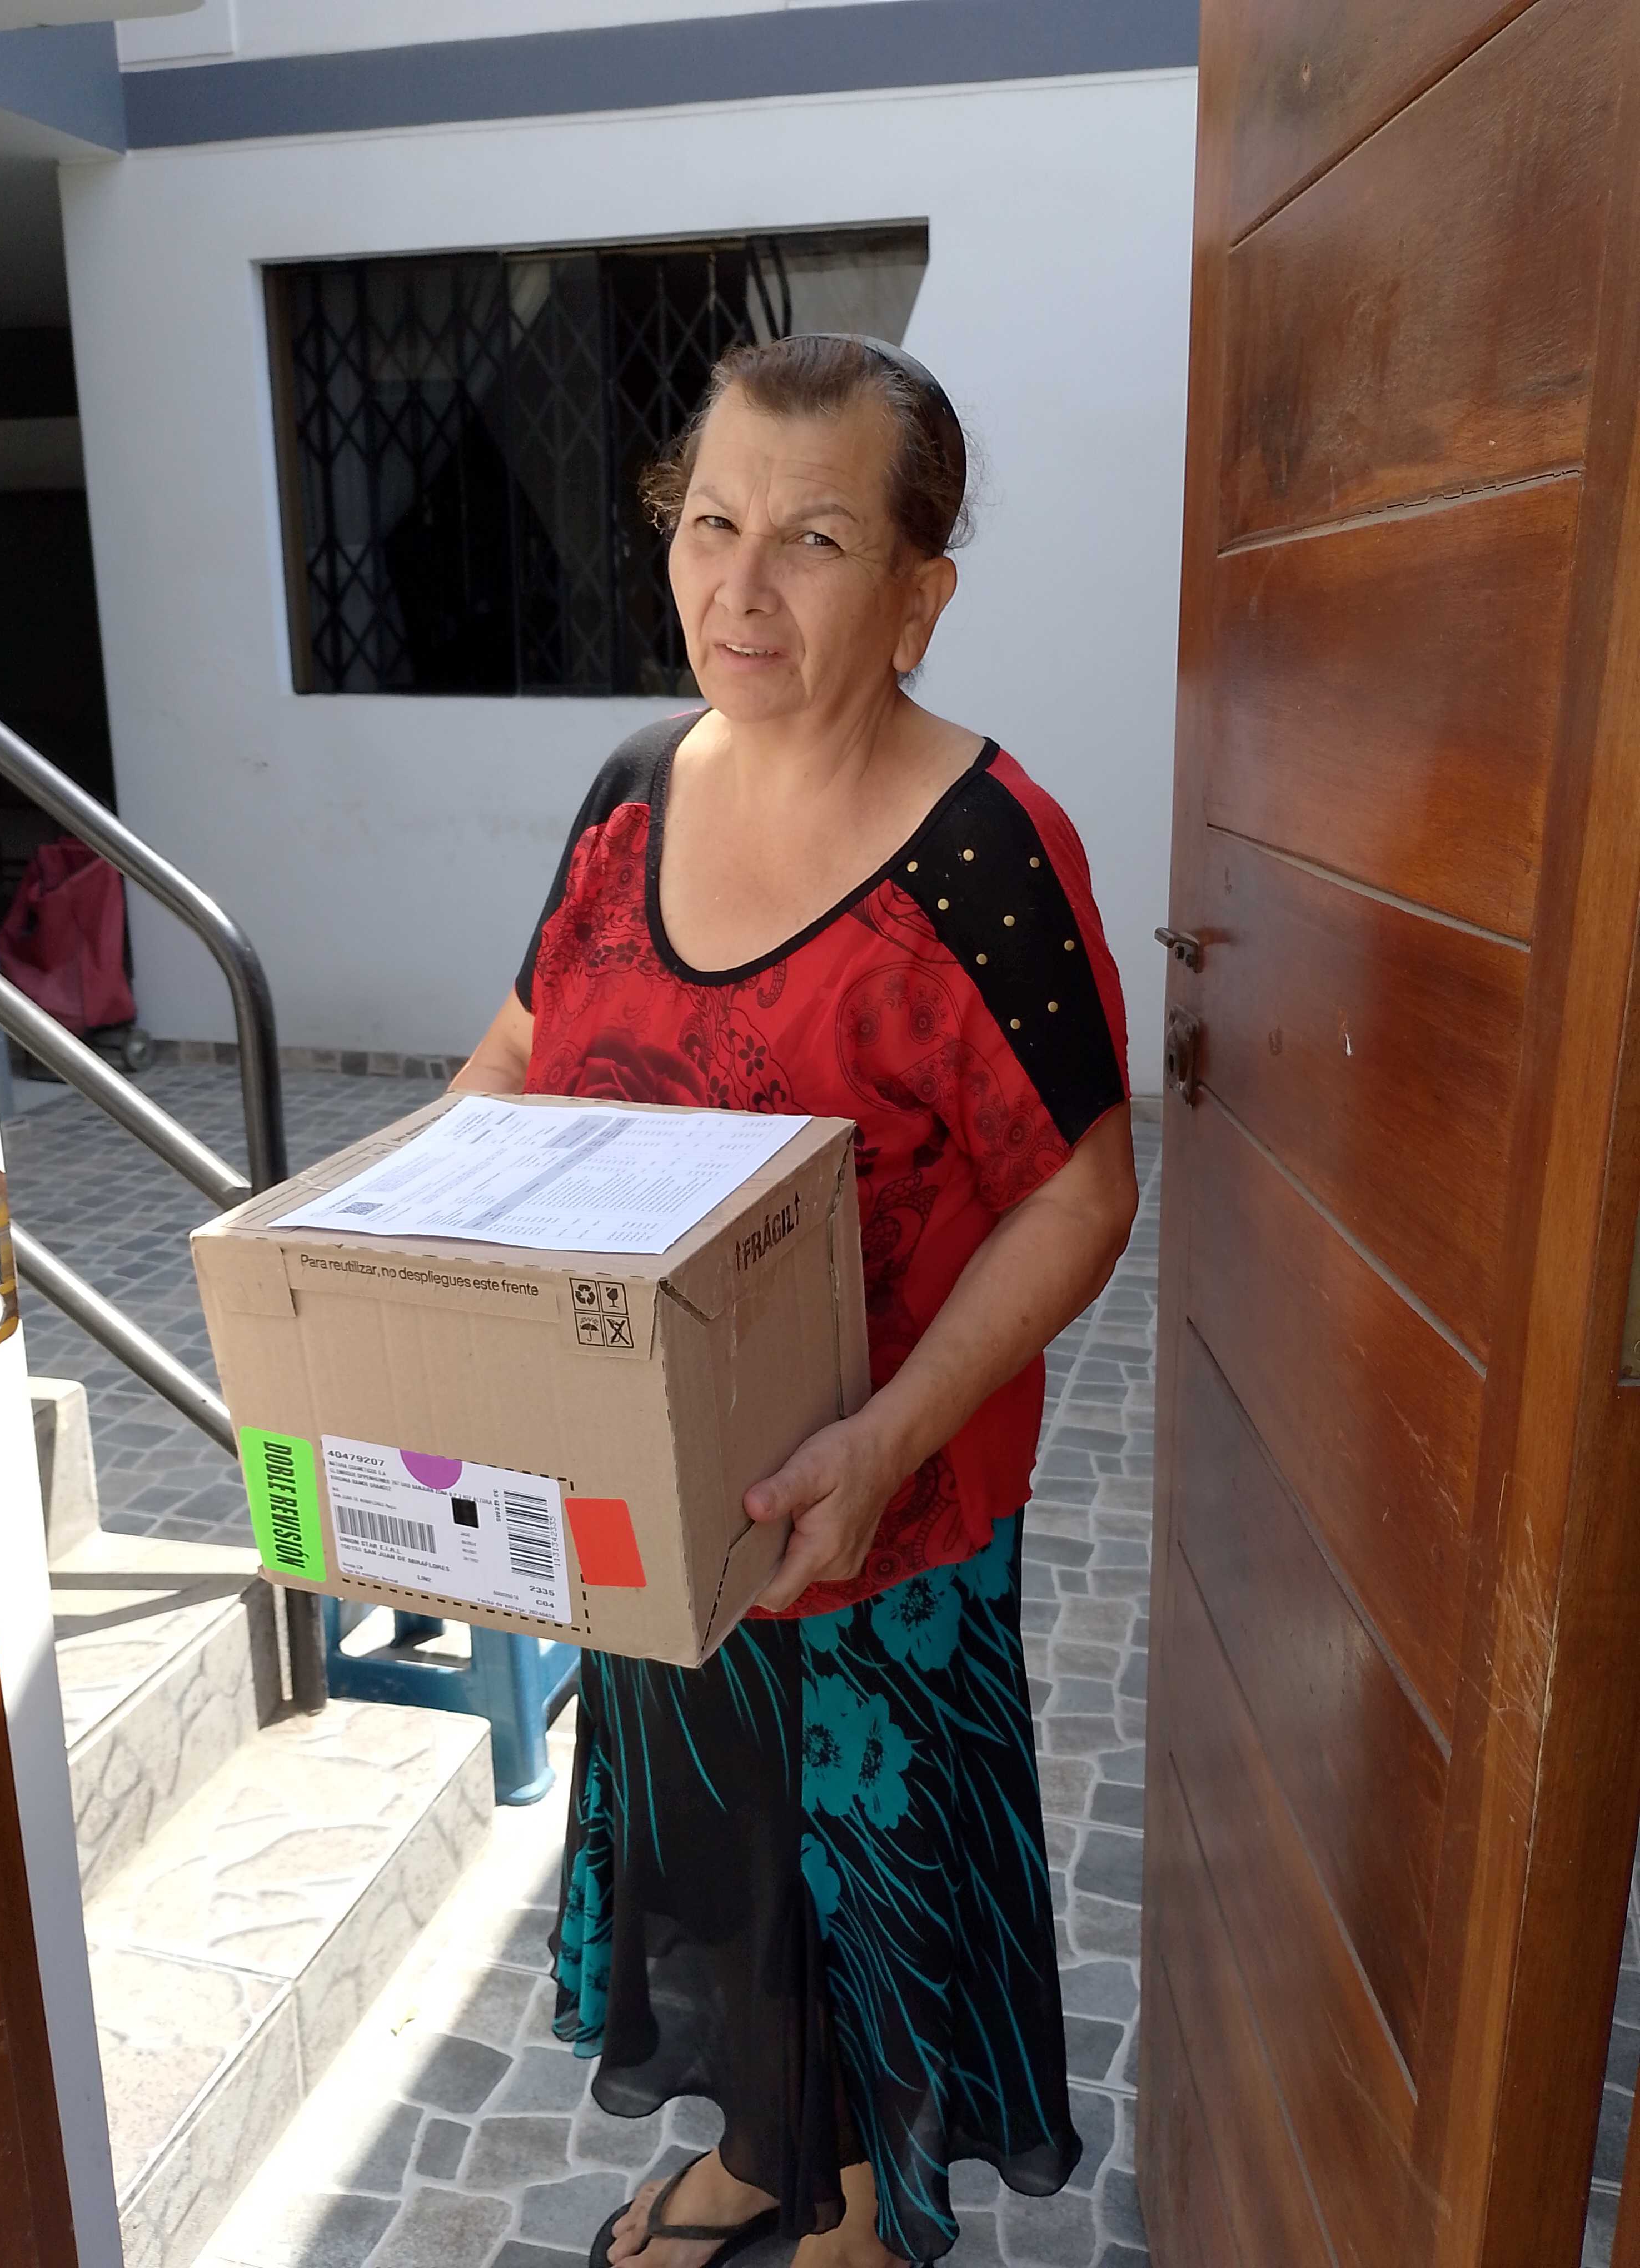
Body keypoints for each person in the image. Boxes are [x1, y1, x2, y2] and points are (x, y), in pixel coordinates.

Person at [452, 332, 1138, 2268]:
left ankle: (858, 2218)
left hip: (876, 1522)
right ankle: (770, 2156)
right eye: (711, 524)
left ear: (920, 595)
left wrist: (890, 1437)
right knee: (722, 1875)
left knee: (867, 1890)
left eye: (816, 539)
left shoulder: (990, 851)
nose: (740, 587)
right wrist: (417, 1285)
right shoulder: (627, 796)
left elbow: (1086, 1190)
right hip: (659, 1516)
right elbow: (517, 1058)